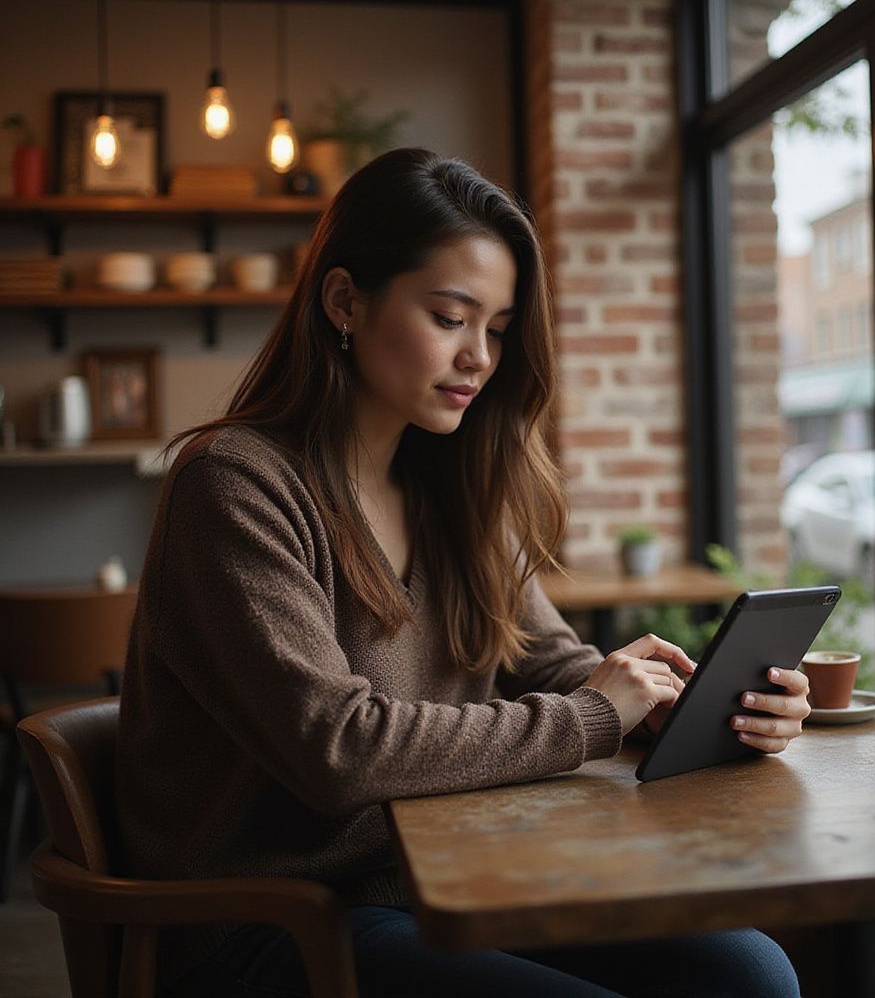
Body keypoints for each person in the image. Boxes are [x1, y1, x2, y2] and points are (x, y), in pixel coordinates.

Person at [116, 147, 811, 998]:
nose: (481, 357)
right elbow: (337, 750)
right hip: (278, 918)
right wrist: (595, 715)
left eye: (499, 327)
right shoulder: (234, 484)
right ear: (344, 301)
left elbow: (549, 664)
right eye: (450, 317)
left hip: (451, 878)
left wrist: (680, 706)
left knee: (751, 972)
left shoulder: (450, 485)